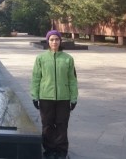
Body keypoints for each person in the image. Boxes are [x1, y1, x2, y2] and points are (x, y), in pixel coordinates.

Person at [30, 30, 78, 159]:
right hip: (46, 97)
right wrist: (35, 96)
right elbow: (36, 78)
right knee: (47, 124)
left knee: (62, 124)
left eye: (57, 39)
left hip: (63, 97)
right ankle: (49, 149)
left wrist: (74, 98)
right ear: (48, 41)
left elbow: (72, 80)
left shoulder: (68, 58)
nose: (54, 42)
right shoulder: (41, 58)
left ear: (60, 41)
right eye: (51, 39)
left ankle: (61, 150)